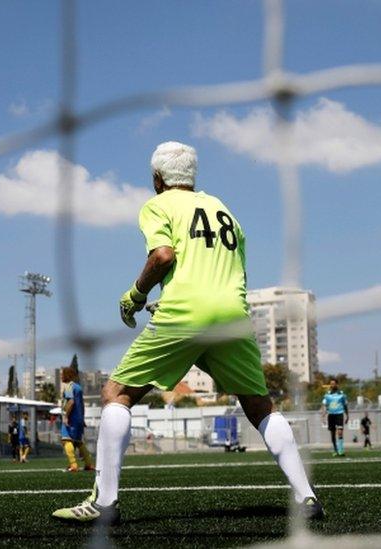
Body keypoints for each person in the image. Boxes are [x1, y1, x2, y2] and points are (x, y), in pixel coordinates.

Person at [52, 142, 322, 524]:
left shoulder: (157, 205)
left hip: (183, 315)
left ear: (157, 179)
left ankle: (105, 503)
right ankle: (307, 496)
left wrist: (135, 295)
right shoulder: (224, 209)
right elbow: (238, 272)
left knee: (117, 393)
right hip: (231, 315)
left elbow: (163, 255)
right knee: (260, 406)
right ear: (193, 177)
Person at [61, 364, 95, 473]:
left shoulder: (69, 386)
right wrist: (82, 418)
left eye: (63, 374)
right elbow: (82, 404)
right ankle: (89, 464)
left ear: (67, 375)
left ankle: (73, 465)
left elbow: (71, 402)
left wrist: (66, 416)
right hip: (79, 418)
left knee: (66, 440)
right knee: (78, 442)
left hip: (71, 418)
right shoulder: (78, 387)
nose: (61, 376)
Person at [321, 379, 348, 457]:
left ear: (337, 385)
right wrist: (323, 416)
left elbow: (345, 405)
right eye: (331, 384)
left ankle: (341, 450)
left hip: (339, 414)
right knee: (332, 434)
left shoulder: (342, 394)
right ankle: (335, 450)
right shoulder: (327, 395)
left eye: (333, 384)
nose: (332, 385)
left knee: (340, 432)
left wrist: (347, 415)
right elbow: (325, 406)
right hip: (331, 415)